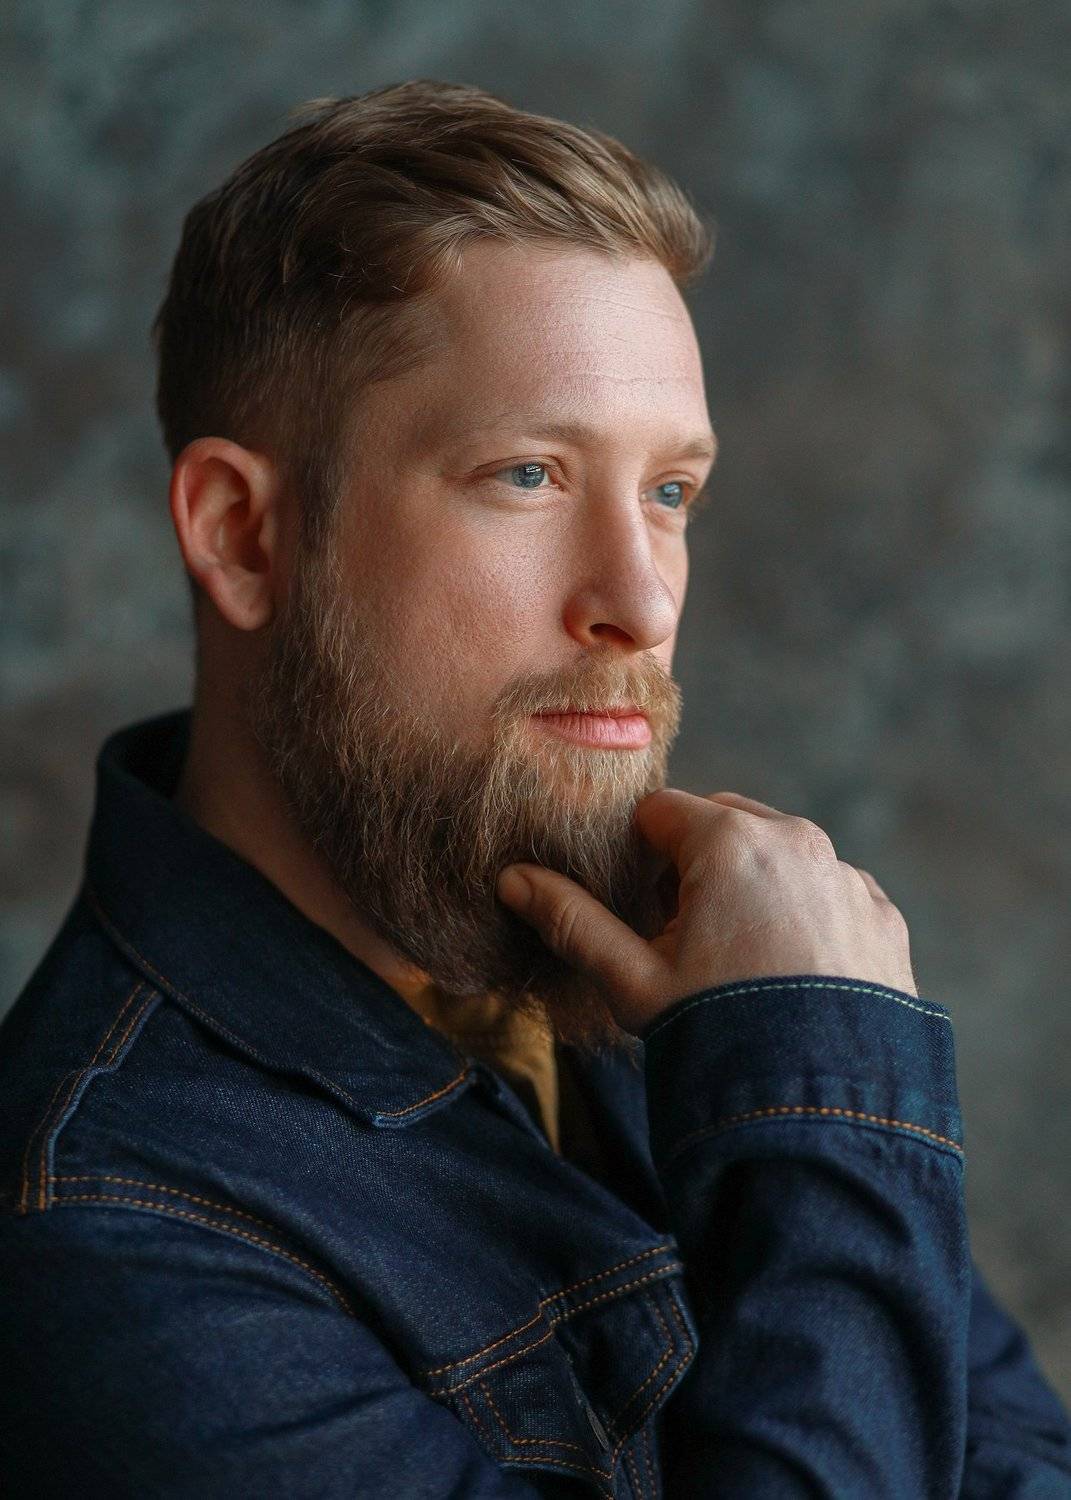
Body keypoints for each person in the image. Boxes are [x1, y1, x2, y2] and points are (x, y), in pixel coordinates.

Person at [0, 79, 1068, 1498]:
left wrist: (793, 1073)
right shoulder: (111, 1228)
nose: (642, 602)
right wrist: (821, 1076)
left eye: (671, 493)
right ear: (244, 535)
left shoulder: (668, 983)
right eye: (528, 475)